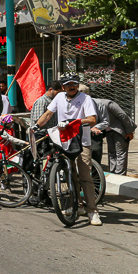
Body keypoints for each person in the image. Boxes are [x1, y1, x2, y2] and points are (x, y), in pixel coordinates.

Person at [34, 74, 101, 226]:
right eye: (69, 84)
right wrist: (36, 126)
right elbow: (48, 114)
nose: (72, 87)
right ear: (63, 87)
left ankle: (92, 211)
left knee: (85, 176)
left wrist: (73, 122)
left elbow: (92, 119)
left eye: (74, 84)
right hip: (65, 141)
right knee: (70, 175)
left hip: (82, 141)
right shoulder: (59, 98)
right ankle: (76, 205)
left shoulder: (85, 98)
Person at [89, 93, 135, 175]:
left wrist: (129, 131)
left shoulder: (107, 104)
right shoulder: (88, 106)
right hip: (108, 130)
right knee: (111, 153)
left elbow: (123, 116)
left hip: (120, 129)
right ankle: (113, 173)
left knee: (120, 153)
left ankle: (120, 175)